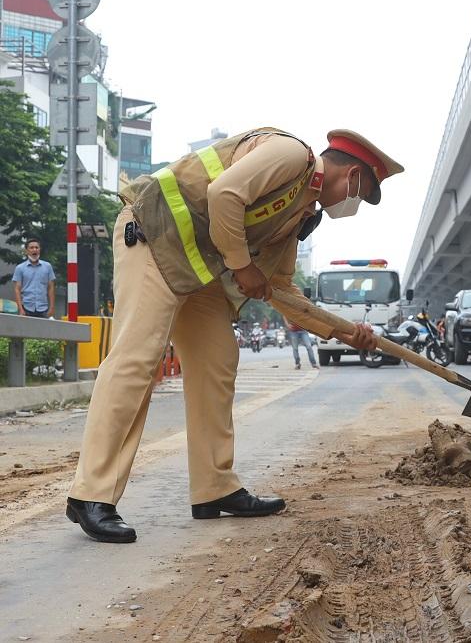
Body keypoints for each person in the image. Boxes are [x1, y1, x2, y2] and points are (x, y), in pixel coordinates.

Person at [66, 127, 401, 543]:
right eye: (361, 194)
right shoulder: (291, 154)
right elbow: (224, 193)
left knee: (218, 359)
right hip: (153, 234)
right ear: (352, 175)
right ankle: (91, 494)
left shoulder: (300, 213)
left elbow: (280, 287)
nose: (355, 205)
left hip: (198, 267)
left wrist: (346, 332)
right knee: (138, 358)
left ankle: (214, 487)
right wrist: (242, 265)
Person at [13, 238, 56, 318]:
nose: (34, 250)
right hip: (26, 308)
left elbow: (51, 287)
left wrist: (52, 307)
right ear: (26, 251)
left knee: (44, 327)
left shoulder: (47, 266)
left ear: (39, 250)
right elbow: (17, 289)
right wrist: (20, 308)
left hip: (43, 308)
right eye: (31, 248)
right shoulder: (20, 268)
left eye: (36, 247)